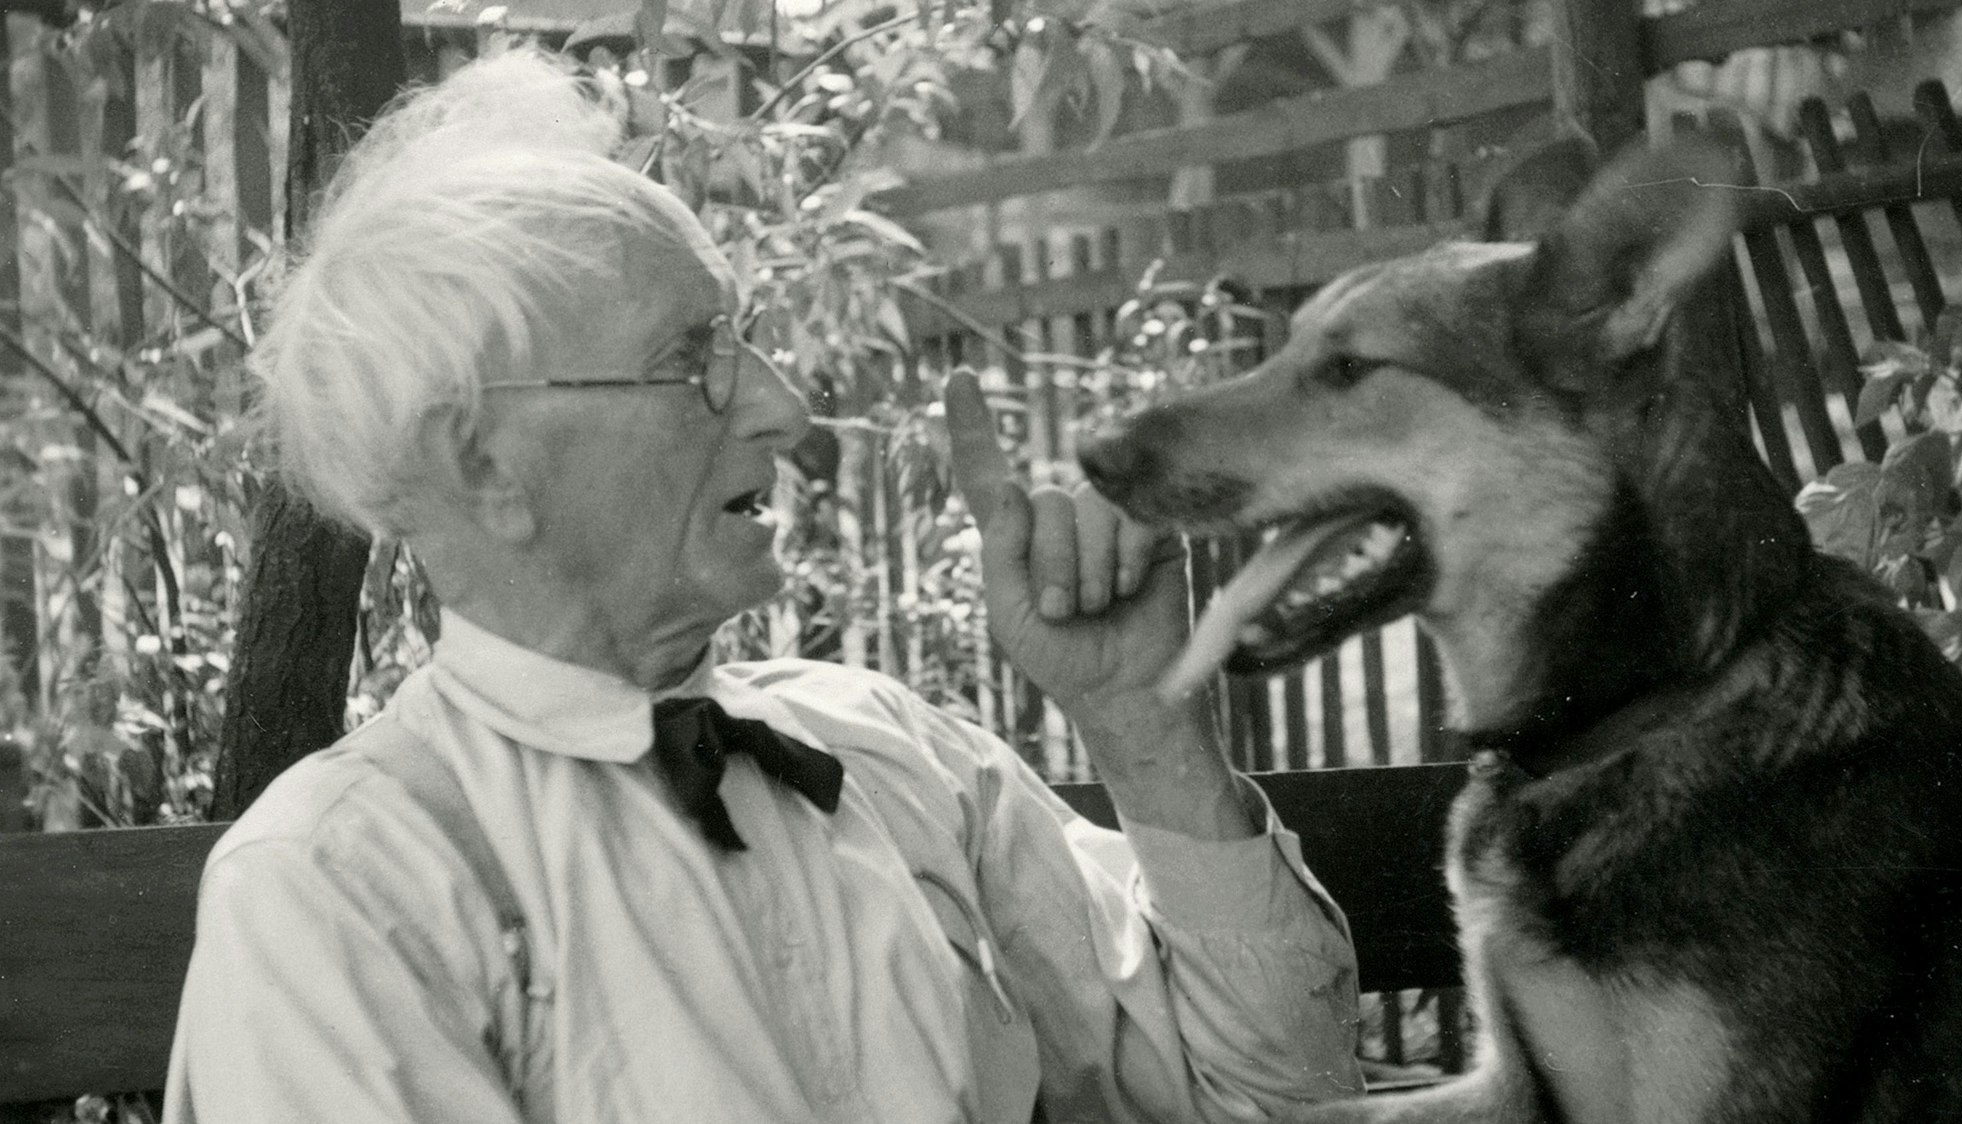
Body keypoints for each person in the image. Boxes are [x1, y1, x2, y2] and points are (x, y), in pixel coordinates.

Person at [163, 48, 1363, 1123]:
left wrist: (1143, 720)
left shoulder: (889, 756)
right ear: (484, 460)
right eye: (693, 361)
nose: (787, 410)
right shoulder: (342, 888)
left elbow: (1271, 1097)